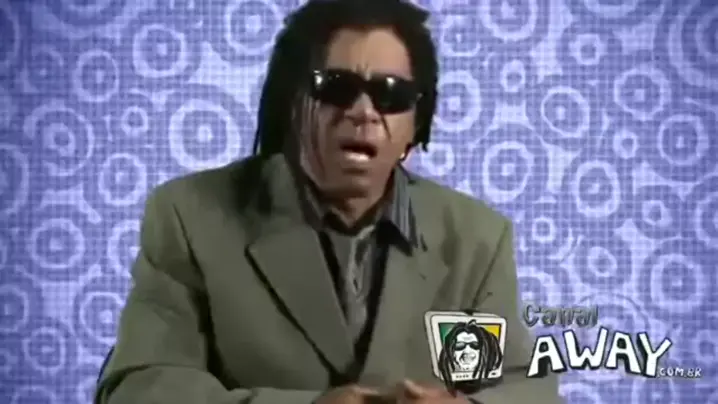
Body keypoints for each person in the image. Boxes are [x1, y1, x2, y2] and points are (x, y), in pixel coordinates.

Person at [95, 0, 562, 403]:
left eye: (391, 95)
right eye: (336, 87)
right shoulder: (189, 217)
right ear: (293, 101)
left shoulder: (475, 239)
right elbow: (139, 388)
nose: (363, 112)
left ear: (416, 124)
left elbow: (521, 388)